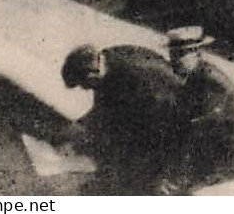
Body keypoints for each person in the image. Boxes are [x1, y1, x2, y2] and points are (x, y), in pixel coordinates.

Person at [60, 42, 184, 194]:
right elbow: (104, 106)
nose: (86, 89)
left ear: (91, 77)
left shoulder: (134, 77)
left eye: (84, 85)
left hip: (172, 125)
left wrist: (162, 174)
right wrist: (79, 127)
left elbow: (161, 128)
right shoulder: (106, 59)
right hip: (153, 114)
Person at [161, 26, 234, 193]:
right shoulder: (193, 77)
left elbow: (199, 127)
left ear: (197, 53)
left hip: (231, 159)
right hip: (212, 152)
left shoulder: (211, 82)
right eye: (172, 54)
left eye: (180, 55)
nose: (173, 61)